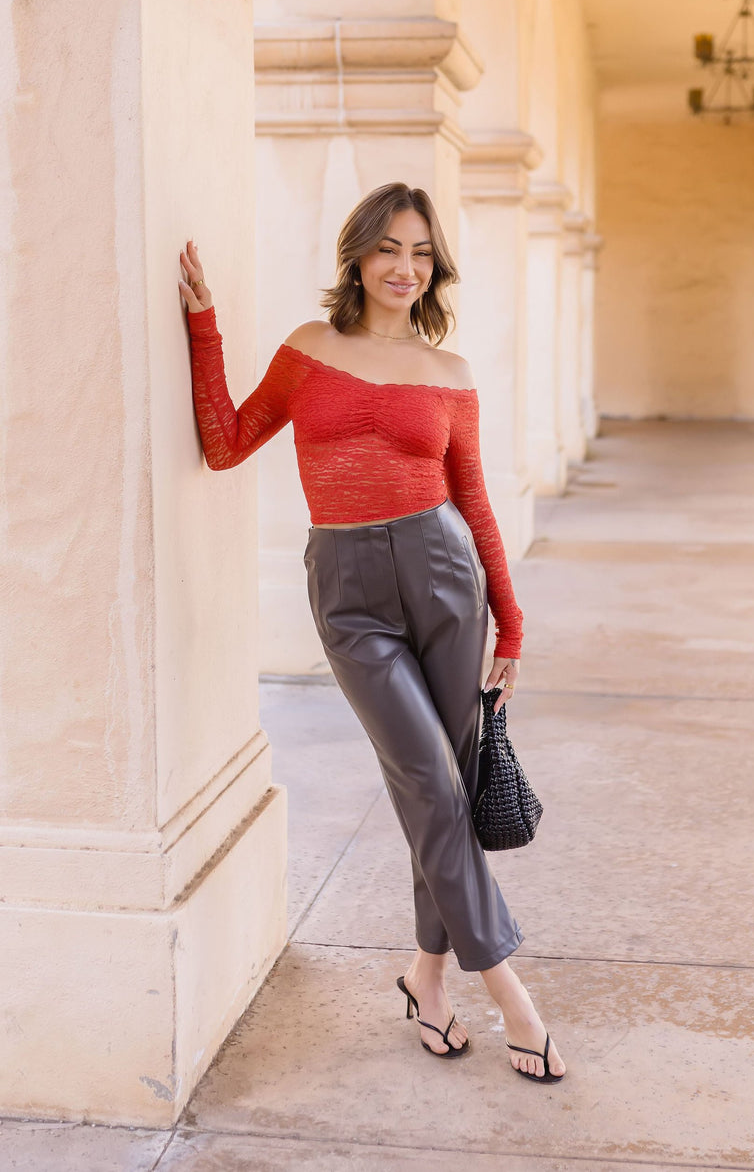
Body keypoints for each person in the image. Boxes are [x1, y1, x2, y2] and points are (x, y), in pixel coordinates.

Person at [178, 182, 566, 1084]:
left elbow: (474, 500)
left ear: (436, 266)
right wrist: (206, 330)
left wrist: (510, 618)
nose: (405, 267)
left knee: (448, 790)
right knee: (428, 781)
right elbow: (225, 441)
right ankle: (511, 991)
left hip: (445, 576)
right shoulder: (311, 352)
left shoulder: (452, 372)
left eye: (422, 252)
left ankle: (427, 978)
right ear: (357, 254)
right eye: (390, 248)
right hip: (349, 589)